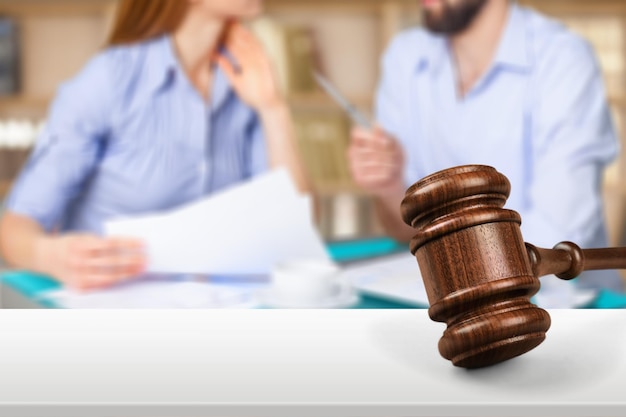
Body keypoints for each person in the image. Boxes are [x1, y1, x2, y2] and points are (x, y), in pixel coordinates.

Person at [0, 0, 309, 290]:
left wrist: (273, 107)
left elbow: (295, 225)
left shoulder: (247, 79)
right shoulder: (110, 79)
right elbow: (14, 227)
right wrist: (50, 256)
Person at [348, 0, 624, 292]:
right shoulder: (405, 57)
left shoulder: (564, 60)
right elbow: (405, 229)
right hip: (450, 296)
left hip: (563, 302)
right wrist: (390, 187)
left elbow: (554, 243)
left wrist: (442, 252)